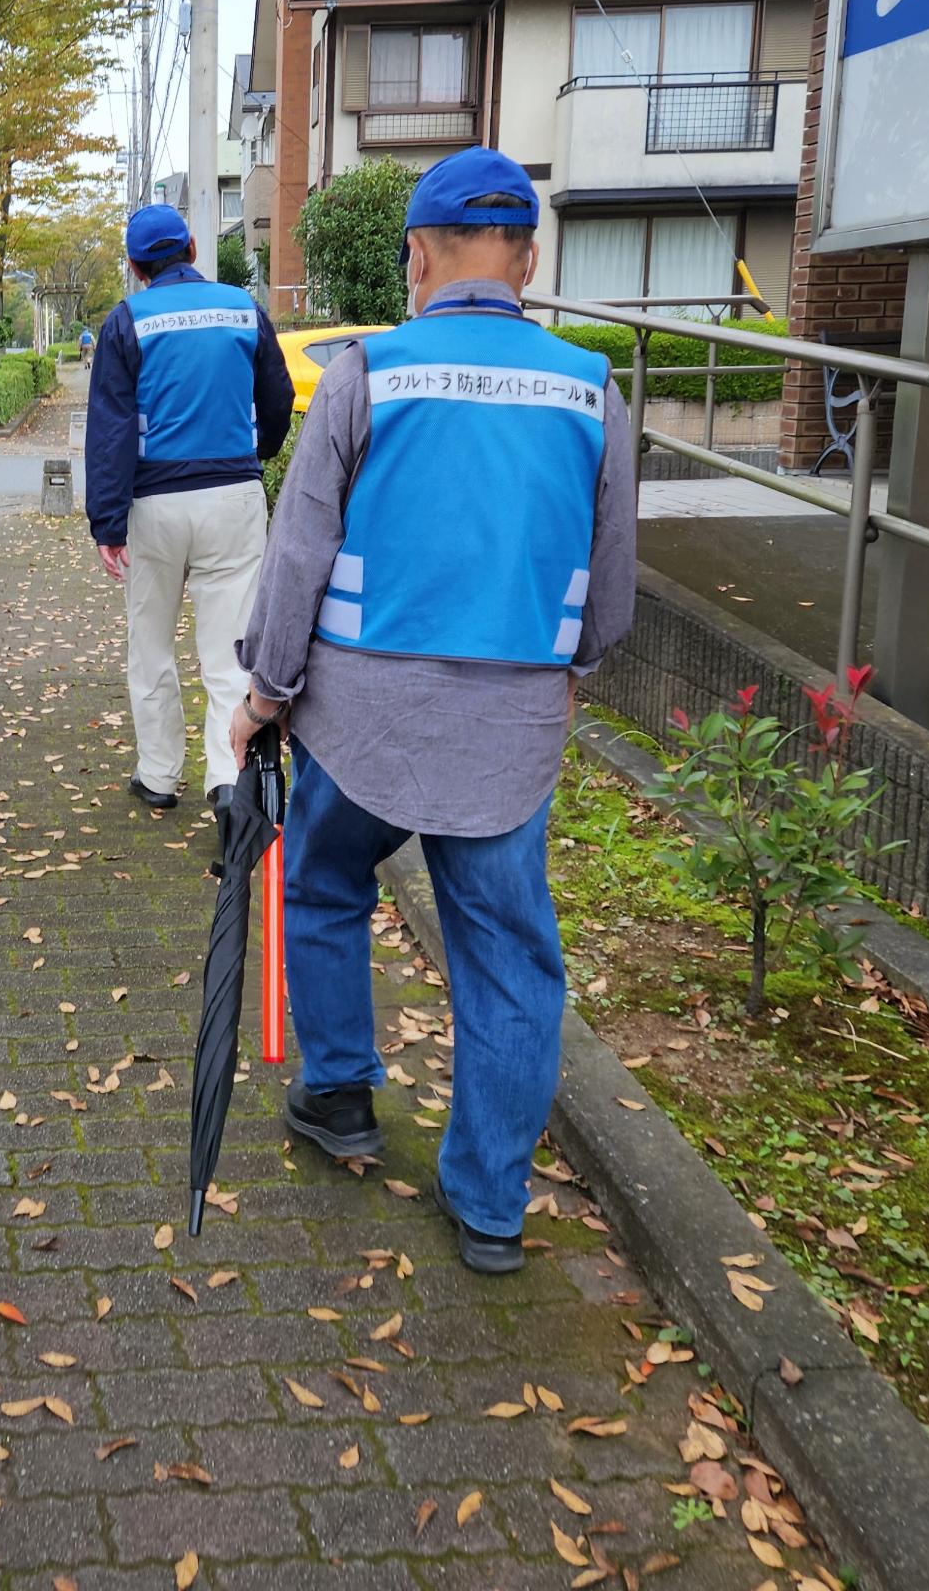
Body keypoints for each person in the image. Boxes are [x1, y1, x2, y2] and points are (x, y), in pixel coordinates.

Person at [234, 147, 636, 1274]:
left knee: (321, 882)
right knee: (508, 957)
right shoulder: (589, 388)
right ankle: (489, 1204)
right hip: (507, 734)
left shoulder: (372, 373)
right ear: (529, 257)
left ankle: (341, 1094)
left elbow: (299, 548)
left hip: (357, 719)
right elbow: (608, 600)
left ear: (416, 253)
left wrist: (264, 691)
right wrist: (564, 666)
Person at [85, 202, 293, 860]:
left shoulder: (128, 322)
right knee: (230, 647)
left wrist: (108, 521)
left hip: (153, 503)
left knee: (150, 643)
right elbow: (278, 397)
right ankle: (229, 784)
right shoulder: (242, 309)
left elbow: (112, 428)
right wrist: (254, 453)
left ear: (134, 265)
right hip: (232, 496)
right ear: (194, 247)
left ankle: (157, 777)